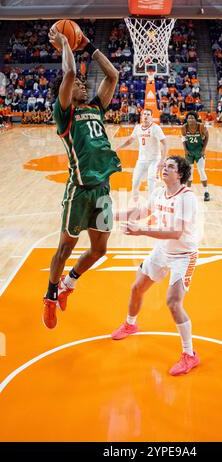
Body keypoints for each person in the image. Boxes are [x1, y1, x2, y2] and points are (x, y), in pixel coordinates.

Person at [43, 25, 121, 329]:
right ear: (64, 93)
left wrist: (87, 46)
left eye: (84, 83)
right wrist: (65, 43)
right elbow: (70, 74)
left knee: (100, 249)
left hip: (102, 189)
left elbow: (113, 76)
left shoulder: (96, 108)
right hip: (78, 190)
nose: (83, 85)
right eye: (78, 85)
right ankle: (49, 296)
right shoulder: (64, 114)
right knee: (64, 249)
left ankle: (69, 284)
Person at [112, 156, 200, 376]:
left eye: (170, 167)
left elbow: (176, 233)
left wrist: (141, 231)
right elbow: (140, 212)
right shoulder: (159, 193)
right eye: (164, 166)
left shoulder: (187, 198)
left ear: (180, 174)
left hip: (184, 255)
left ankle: (190, 355)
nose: (164, 169)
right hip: (163, 250)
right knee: (137, 288)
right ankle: (130, 324)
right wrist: (109, 215)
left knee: (173, 302)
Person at [116, 108, 167, 199]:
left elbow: (165, 143)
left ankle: (152, 202)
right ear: (141, 116)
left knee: (151, 179)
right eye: (144, 114)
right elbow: (130, 140)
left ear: (151, 117)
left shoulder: (155, 128)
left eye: (148, 114)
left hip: (154, 159)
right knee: (135, 181)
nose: (146, 116)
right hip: (141, 160)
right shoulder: (137, 127)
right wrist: (119, 148)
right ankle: (135, 201)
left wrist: (162, 160)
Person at [181, 111, 210, 201]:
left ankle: (206, 192)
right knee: (189, 172)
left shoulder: (201, 126)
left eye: (192, 118)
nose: (190, 119)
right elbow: (184, 139)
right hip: (189, 152)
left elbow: (207, 137)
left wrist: (203, 150)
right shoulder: (184, 127)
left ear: (196, 119)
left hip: (199, 152)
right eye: (189, 118)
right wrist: (185, 150)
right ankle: (188, 192)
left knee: (201, 171)